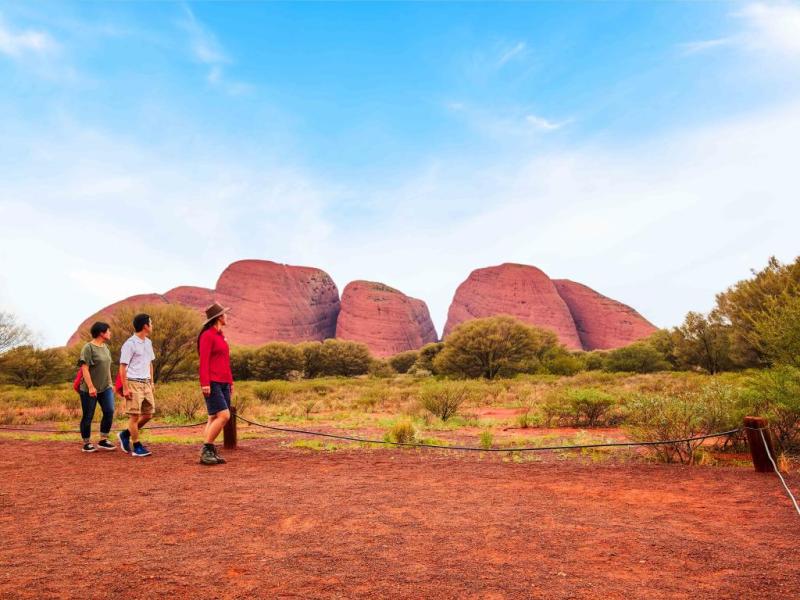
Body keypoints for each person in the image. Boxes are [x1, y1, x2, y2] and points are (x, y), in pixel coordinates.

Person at [197, 302, 233, 466]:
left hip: (224, 381)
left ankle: (209, 451)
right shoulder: (207, 335)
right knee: (224, 415)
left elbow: (225, 361)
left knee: (213, 417)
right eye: (225, 314)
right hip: (212, 381)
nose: (227, 316)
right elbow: (203, 361)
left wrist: (230, 382)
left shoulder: (221, 336)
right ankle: (207, 449)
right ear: (219, 317)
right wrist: (205, 383)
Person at [117, 313, 156, 458]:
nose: (152, 325)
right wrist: (125, 387)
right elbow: (122, 367)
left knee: (148, 414)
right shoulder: (130, 344)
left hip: (146, 383)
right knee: (134, 416)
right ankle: (137, 446)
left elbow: (150, 363)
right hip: (133, 382)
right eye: (150, 323)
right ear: (145, 326)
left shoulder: (148, 342)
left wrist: (151, 382)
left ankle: (125, 434)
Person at [77, 322, 116, 453]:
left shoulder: (105, 348)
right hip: (89, 389)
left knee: (109, 411)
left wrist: (111, 384)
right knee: (88, 415)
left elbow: (107, 368)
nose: (110, 333)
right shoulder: (88, 348)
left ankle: (103, 440)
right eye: (108, 331)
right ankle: (86, 443)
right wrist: (91, 386)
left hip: (106, 387)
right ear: (101, 333)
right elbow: (84, 368)